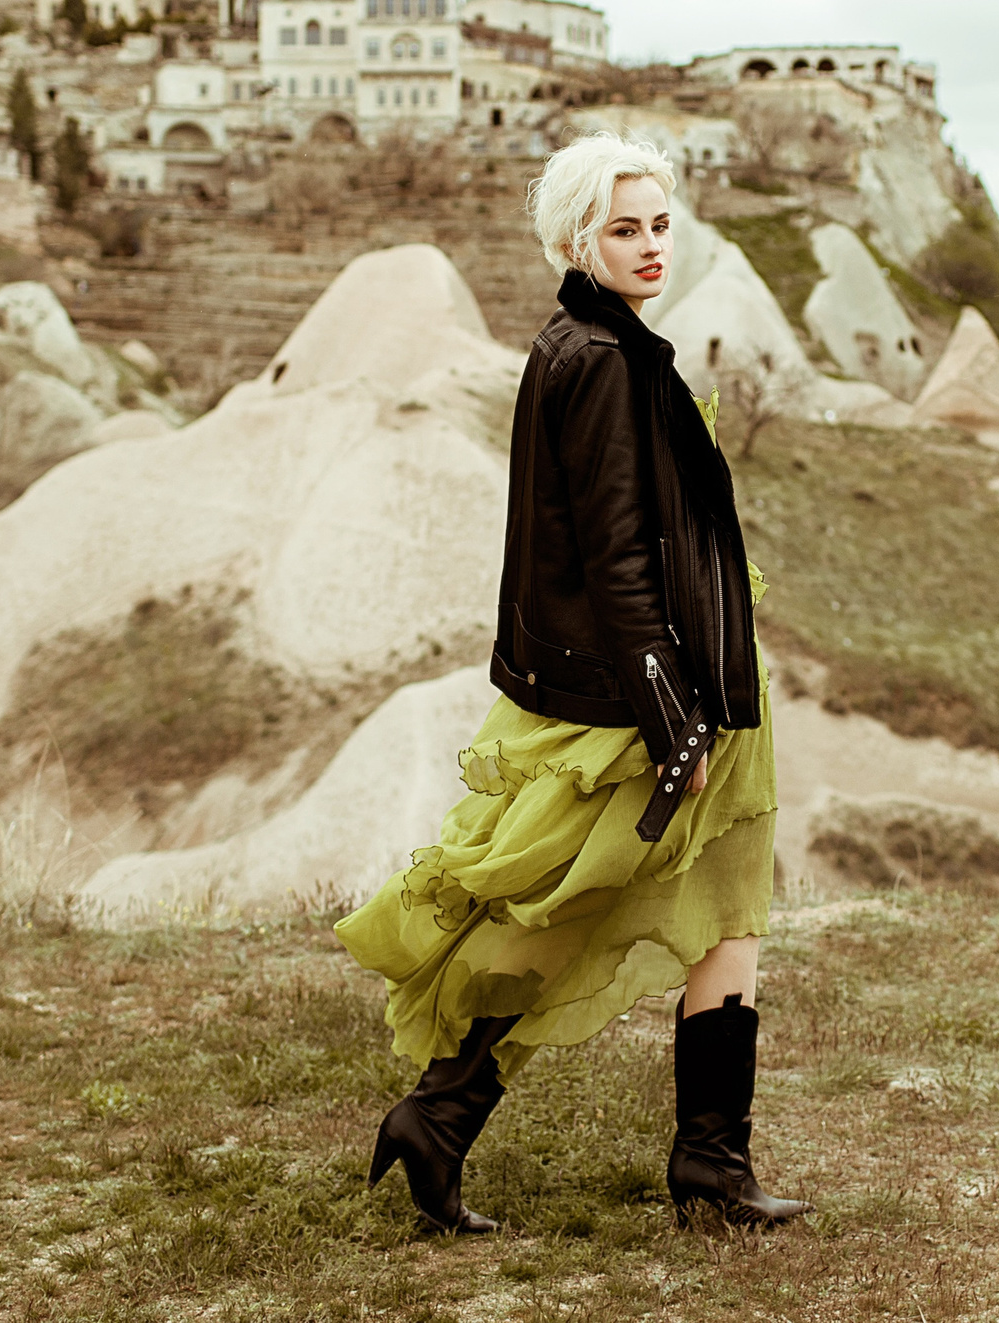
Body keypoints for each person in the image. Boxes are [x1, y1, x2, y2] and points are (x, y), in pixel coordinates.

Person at [335, 131, 810, 1236]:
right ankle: (445, 1117)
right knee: (566, 914)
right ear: (572, 241)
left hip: (684, 686)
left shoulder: (603, 343)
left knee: (724, 917)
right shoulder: (596, 360)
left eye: (657, 224)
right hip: (655, 701)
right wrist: (673, 722)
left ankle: (705, 1163)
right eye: (622, 229)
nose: (650, 246)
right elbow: (613, 555)